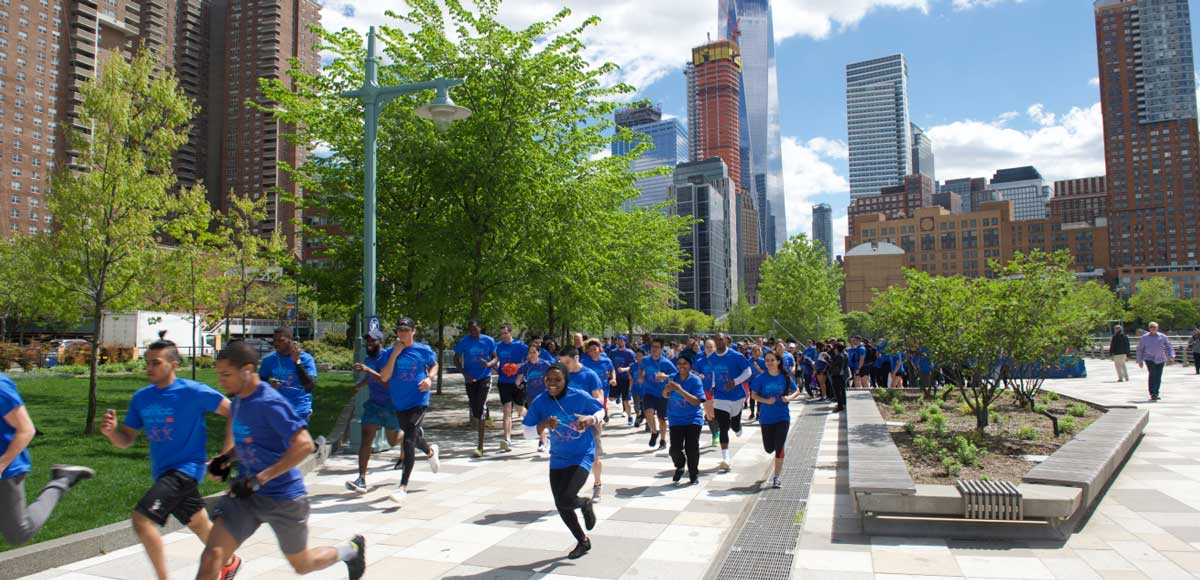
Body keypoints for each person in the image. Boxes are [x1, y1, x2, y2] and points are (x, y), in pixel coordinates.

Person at [197, 341, 365, 580]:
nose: (221, 381)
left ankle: (350, 551)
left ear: (247, 370)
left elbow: (305, 444)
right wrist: (225, 458)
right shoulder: (239, 400)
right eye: (219, 374)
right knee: (212, 557)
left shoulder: (270, 402)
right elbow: (250, 439)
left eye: (226, 374)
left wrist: (260, 479)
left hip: (283, 496)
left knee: (302, 564)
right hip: (245, 496)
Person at [100, 336, 241, 580]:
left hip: (186, 470)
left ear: (174, 364)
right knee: (198, 523)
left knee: (142, 520)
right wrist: (112, 433)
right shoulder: (142, 398)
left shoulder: (193, 391)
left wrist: (225, 455)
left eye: (156, 363)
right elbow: (126, 439)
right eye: (147, 362)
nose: (149, 367)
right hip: (163, 472)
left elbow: (234, 412)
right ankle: (229, 561)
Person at [0, 371, 93, 547]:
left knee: (18, 533)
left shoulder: (1, 387)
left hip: (7, 470)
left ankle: (61, 480)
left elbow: (26, 430)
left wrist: (2, 464)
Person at [523, 364, 603, 559]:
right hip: (558, 458)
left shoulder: (580, 396)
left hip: (581, 455)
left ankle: (585, 504)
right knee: (561, 504)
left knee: (566, 497)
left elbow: (601, 411)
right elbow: (527, 433)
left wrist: (590, 419)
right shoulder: (540, 401)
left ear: (566, 380)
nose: (552, 383)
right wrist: (544, 424)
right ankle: (583, 541)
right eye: (548, 379)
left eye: (557, 380)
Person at [377, 317, 441, 505]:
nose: (403, 333)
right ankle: (430, 452)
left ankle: (402, 487)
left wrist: (429, 378)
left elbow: (435, 365)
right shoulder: (390, 352)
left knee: (408, 440)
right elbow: (384, 377)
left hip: (419, 400)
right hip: (400, 402)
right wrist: (395, 354)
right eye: (400, 330)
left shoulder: (423, 350)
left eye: (406, 330)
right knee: (414, 438)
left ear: (413, 331)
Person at [345, 329, 402, 493]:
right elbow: (370, 378)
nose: (369, 343)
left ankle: (408, 435)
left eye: (373, 340)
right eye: (368, 340)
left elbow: (386, 382)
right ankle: (361, 479)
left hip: (390, 404)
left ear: (380, 342)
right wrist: (360, 385)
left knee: (392, 441)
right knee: (366, 440)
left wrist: (368, 370)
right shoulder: (368, 359)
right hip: (373, 404)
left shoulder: (387, 358)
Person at [559, 346, 606, 502]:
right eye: (561, 362)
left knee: (594, 457)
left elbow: (599, 399)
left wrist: (590, 416)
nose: (564, 365)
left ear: (577, 358)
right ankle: (569, 490)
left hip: (589, 423)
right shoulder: (562, 376)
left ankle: (597, 485)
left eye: (567, 362)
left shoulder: (590, 375)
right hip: (568, 424)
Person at [749, 351, 800, 489]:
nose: (769, 363)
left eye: (772, 360)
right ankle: (774, 453)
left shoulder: (785, 376)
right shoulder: (760, 378)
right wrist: (766, 400)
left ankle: (776, 477)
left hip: (782, 416)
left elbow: (797, 391)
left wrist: (788, 398)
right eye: (767, 360)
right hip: (766, 418)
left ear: (778, 361)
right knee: (769, 448)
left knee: (779, 446)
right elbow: (753, 395)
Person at [705, 334, 752, 472]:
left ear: (726, 340)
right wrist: (713, 385)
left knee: (734, 425)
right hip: (720, 396)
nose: (719, 342)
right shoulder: (711, 358)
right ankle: (726, 458)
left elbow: (748, 371)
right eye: (716, 340)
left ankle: (737, 426)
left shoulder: (736, 356)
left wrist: (735, 382)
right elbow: (714, 373)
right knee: (723, 426)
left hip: (737, 396)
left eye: (721, 339)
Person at [657, 356, 706, 485]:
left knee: (692, 448)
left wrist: (680, 390)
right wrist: (667, 389)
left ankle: (693, 474)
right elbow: (665, 394)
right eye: (679, 363)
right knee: (674, 449)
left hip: (693, 419)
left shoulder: (695, 380)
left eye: (685, 363)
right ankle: (680, 466)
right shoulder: (673, 377)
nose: (681, 366)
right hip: (675, 419)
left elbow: (696, 402)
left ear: (690, 366)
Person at [454, 320, 497, 457]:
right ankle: (486, 414)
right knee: (475, 408)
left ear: (480, 328)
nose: (473, 332)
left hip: (485, 376)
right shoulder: (464, 342)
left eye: (475, 329)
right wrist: (465, 374)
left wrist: (488, 364)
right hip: (470, 378)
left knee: (481, 406)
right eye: (471, 330)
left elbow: (495, 358)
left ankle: (480, 446)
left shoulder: (488, 340)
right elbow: (456, 359)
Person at [259, 327, 318, 427]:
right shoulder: (269, 360)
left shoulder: (305, 358)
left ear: (290, 340)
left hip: (299, 410)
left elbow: (310, 386)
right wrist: (270, 387)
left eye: (280, 340)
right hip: (276, 409)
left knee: (295, 436)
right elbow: (259, 385)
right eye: (274, 340)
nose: (276, 343)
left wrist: (297, 362)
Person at [489, 324, 527, 452]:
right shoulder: (498, 346)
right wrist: (492, 366)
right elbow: (495, 359)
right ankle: (507, 439)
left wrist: (516, 366)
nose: (503, 336)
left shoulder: (520, 345)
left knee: (520, 409)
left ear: (511, 333)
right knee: (507, 410)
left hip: (518, 381)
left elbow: (530, 359)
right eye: (501, 334)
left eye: (505, 333)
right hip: (504, 382)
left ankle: (535, 423)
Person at [515, 345, 553, 452]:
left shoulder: (545, 364)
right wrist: (519, 384)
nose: (532, 354)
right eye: (530, 352)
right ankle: (542, 441)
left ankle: (550, 440)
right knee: (539, 419)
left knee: (548, 417)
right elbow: (518, 380)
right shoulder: (525, 366)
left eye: (534, 352)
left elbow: (554, 374)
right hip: (531, 396)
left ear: (538, 353)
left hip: (545, 395)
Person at [640, 338, 676, 451]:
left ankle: (663, 440)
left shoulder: (666, 362)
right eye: (653, 347)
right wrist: (641, 377)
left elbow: (676, 375)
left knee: (661, 419)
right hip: (649, 392)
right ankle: (654, 432)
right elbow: (641, 368)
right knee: (648, 413)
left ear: (661, 349)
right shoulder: (645, 360)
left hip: (662, 394)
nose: (654, 349)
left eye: (657, 347)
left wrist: (665, 376)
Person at [1135, 322, 1175, 402]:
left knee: (1158, 376)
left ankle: (1156, 392)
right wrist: (1140, 360)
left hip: (1160, 359)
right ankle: (1152, 393)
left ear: (1157, 328)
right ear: (1149, 328)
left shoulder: (1163, 336)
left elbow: (1169, 347)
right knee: (1152, 374)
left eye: (1154, 327)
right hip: (1149, 359)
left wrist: (1171, 357)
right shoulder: (1144, 337)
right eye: (1151, 327)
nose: (1153, 328)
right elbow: (1140, 349)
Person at [580, 339, 616, 424]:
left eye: (594, 349)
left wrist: (613, 379)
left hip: (603, 389)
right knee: (594, 408)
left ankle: (603, 413)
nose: (592, 352)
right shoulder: (584, 362)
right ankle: (598, 419)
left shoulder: (606, 360)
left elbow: (612, 370)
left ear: (599, 349)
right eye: (590, 350)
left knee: (600, 407)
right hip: (589, 389)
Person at [609, 336, 636, 426]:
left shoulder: (629, 353)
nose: (619, 342)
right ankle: (617, 396)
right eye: (618, 340)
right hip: (615, 379)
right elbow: (609, 364)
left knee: (626, 400)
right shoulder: (612, 352)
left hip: (625, 379)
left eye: (621, 341)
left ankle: (630, 417)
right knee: (611, 398)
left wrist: (624, 369)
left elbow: (633, 366)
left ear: (625, 342)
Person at [829, 341, 849, 413]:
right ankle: (842, 404)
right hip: (839, 375)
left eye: (834, 348)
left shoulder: (839, 356)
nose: (833, 350)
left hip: (838, 375)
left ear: (837, 349)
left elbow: (833, 364)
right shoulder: (842, 355)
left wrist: (826, 359)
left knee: (838, 391)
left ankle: (840, 406)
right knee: (841, 391)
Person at [630, 349, 647, 430]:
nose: (638, 358)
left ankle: (648, 423)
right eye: (636, 356)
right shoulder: (632, 366)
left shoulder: (647, 366)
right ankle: (639, 417)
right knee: (637, 406)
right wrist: (630, 388)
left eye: (640, 356)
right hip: (635, 389)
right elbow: (631, 378)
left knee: (645, 407)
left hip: (645, 389)